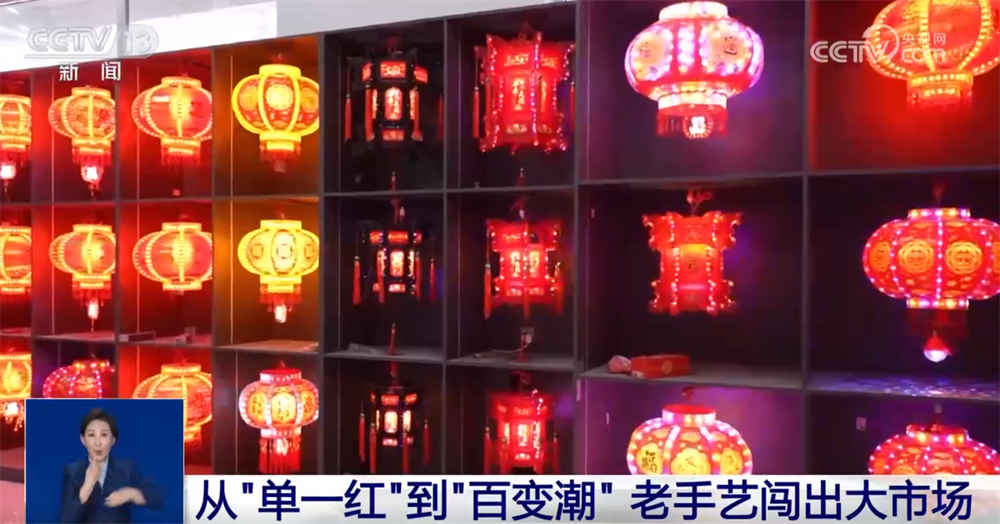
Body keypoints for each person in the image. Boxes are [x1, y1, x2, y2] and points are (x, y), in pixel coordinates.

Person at [58, 408, 163, 524]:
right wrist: (87, 486)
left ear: (113, 440)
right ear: (83, 440)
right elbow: (65, 520)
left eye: (104, 435)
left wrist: (132, 493)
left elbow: (157, 499)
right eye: (91, 435)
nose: (97, 443)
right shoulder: (73, 472)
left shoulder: (126, 468)